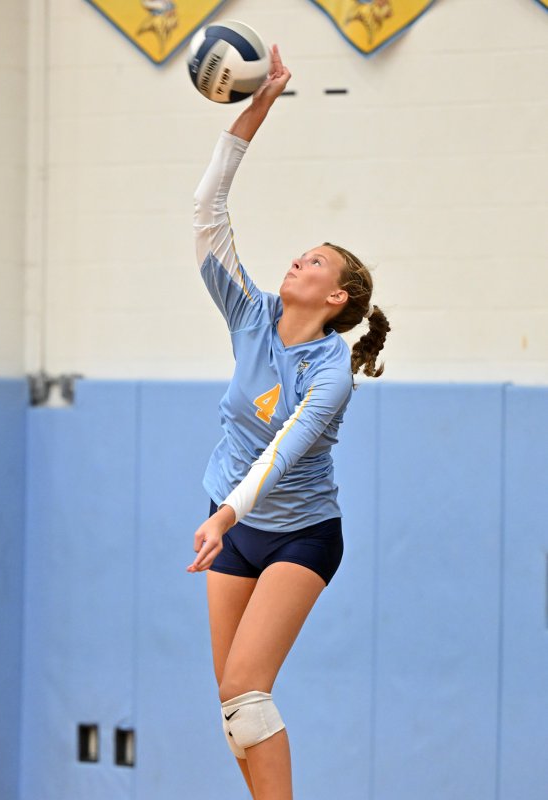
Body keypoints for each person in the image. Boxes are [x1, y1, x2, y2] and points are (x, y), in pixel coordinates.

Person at [187, 45, 390, 800]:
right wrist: (256, 111)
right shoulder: (252, 313)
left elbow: (283, 449)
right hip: (230, 520)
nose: (296, 263)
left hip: (297, 531)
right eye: (299, 255)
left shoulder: (331, 372)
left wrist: (230, 513)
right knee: (233, 710)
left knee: (247, 688)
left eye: (313, 262)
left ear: (335, 297)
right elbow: (207, 213)